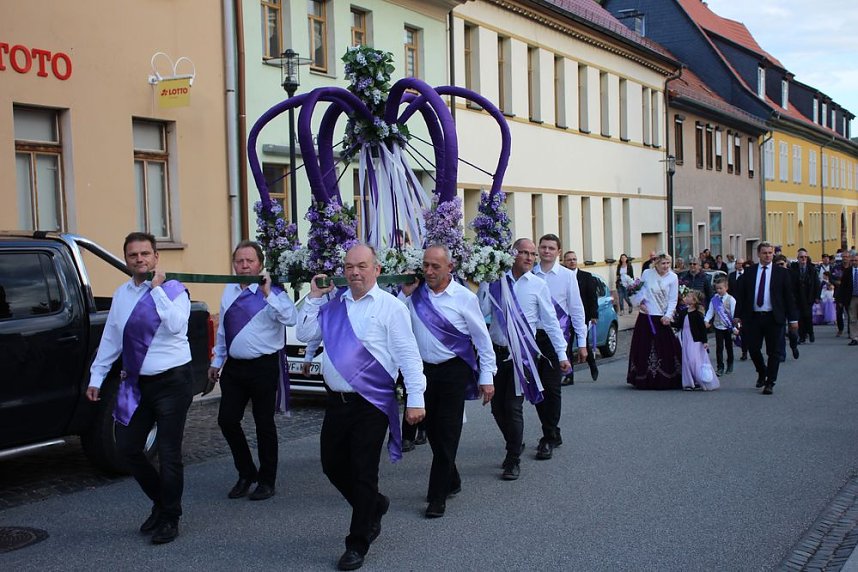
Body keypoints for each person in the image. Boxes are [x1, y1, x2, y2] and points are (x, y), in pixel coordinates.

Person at [296, 244, 426, 571]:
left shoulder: (391, 307)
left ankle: (357, 542)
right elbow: (304, 331)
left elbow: (409, 355)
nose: (355, 272)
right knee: (331, 464)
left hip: (372, 402)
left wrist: (415, 399)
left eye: (362, 266)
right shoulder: (333, 305)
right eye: (350, 266)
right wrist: (312, 297)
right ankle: (375, 506)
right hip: (337, 402)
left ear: (376, 270)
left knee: (364, 470)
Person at [86, 232, 192, 544]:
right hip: (138, 383)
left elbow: (175, 325)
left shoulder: (174, 290)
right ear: (127, 259)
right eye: (133, 255)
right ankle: (162, 502)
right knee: (128, 448)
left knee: (170, 453)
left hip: (173, 381)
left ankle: (170, 517)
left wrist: (157, 291)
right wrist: (96, 376)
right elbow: (112, 338)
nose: (140, 259)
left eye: (146, 254)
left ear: (156, 257)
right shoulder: (121, 294)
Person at [400, 245, 495, 518]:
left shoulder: (464, 298)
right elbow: (400, 325)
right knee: (433, 432)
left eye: (435, 266)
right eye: (426, 265)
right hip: (423, 373)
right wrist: (407, 294)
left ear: (449, 267)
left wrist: (487, 378)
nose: (429, 271)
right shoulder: (414, 298)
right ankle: (451, 479)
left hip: (453, 372)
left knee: (449, 431)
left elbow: (481, 340)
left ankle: (437, 496)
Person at [208, 240, 297, 501]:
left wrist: (268, 294)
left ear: (260, 263)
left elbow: (290, 318)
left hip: (264, 367)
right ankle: (246, 472)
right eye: (240, 261)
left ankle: (267, 480)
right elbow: (224, 330)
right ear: (234, 264)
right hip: (235, 368)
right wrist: (217, 361)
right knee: (227, 420)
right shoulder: (229, 290)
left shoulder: (273, 292)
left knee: (264, 424)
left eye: (250, 260)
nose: (244, 265)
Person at [478, 238, 571, 480]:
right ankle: (513, 442)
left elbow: (550, 322)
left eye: (532, 254)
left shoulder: (538, 285)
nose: (530, 258)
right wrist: (484, 285)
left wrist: (561, 354)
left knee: (513, 406)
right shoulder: (496, 281)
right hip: (496, 353)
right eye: (524, 253)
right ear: (512, 255)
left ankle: (512, 459)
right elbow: (481, 312)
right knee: (497, 409)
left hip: (523, 356)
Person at [531, 237, 586, 461]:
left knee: (552, 388)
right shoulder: (530, 274)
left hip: (557, 340)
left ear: (558, 252)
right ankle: (552, 429)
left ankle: (548, 436)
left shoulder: (567, 276)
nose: (546, 251)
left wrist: (582, 342)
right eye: (543, 247)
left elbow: (576, 309)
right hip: (533, 338)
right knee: (537, 388)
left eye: (551, 248)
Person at [734, 242, 799, 395]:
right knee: (753, 348)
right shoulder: (749, 272)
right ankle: (762, 372)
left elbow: (788, 297)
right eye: (765, 253)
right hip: (754, 317)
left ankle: (770, 382)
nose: (768, 256)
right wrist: (737, 315)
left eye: (770, 253)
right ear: (758, 254)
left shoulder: (781, 273)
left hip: (773, 317)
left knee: (774, 351)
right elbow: (741, 296)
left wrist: (793, 319)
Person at [626, 253, 682, 390]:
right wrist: (640, 303)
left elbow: (673, 299)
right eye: (663, 263)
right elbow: (641, 290)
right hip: (647, 316)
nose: (666, 266)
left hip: (662, 317)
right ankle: (644, 378)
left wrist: (668, 315)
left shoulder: (673, 277)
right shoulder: (647, 273)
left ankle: (665, 378)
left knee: (665, 348)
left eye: (668, 263)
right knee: (644, 347)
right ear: (656, 263)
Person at [559, 249, 598, 383]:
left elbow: (592, 297)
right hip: (565, 318)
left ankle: (593, 366)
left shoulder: (586, 277)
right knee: (567, 346)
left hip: (583, 317)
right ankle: (570, 375)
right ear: (564, 262)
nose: (572, 262)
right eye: (569, 260)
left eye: (574, 259)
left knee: (584, 344)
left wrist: (594, 315)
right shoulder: (561, 276)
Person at [676, 289, 718, 391]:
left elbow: (702, 329)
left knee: (693, 359)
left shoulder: (697, 314)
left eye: (689, 296)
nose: (686, 298)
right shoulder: (683, 312)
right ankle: (688, 382)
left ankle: (700, 379)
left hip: (695, 339)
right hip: (685, 337)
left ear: (694, 300)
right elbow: (679, 324)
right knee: (686, 359)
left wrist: (705, 341)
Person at [704, 275, 737, 376]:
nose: (718, 290)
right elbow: (710, 311)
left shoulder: (731, 299)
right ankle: (720, 367)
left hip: (728, 327)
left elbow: (734, 314)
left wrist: (734, 327)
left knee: (729, 347)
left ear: (726, 288)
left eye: (720, 288)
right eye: (717, 288)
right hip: (718, 326)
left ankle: (730, 364)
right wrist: (706, 320)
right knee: (719, 348)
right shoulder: (714, 299)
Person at [789, 248, 821, 343]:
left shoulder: (812, 269)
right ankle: (802, 336)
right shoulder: (793, 269)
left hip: (808, 296)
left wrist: (817, 297)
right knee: (799, 318)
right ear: (798, 258)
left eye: (805, 257)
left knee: (807, 316)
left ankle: (810, 333)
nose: (803, 259)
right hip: (797, 297)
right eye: (801, 257)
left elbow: (816, 284)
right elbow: (790, 283)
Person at [774, 255, 800, 361]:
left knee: (793, 332)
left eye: (782, 264)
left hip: (792, 306)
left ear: (786, 264)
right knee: (780, 331)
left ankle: (793, 346)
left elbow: (798, 292)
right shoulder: (773, 276)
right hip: (779, 307)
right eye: (778, 265)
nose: (780, 266)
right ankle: (781, 353)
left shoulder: (792, 275)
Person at [834, 252, 858, 346]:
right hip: (851, 297)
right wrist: (840, 299)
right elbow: (843, 287)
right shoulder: (847, 272)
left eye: (856, 260)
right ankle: (854, 338)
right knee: (852, 318)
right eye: (853, 260)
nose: (854, 262)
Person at [831, 252, 851, 337]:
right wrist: (837, 282)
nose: (845, 258)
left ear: (849, 257)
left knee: (850, 313)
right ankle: (840, 329)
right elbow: (831, 278)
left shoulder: (851, 268)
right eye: (843, 257)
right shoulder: (837, 268)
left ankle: (851, 331)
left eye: (846, 257)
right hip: (839, 293)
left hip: (849, 294)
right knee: (839, 313)